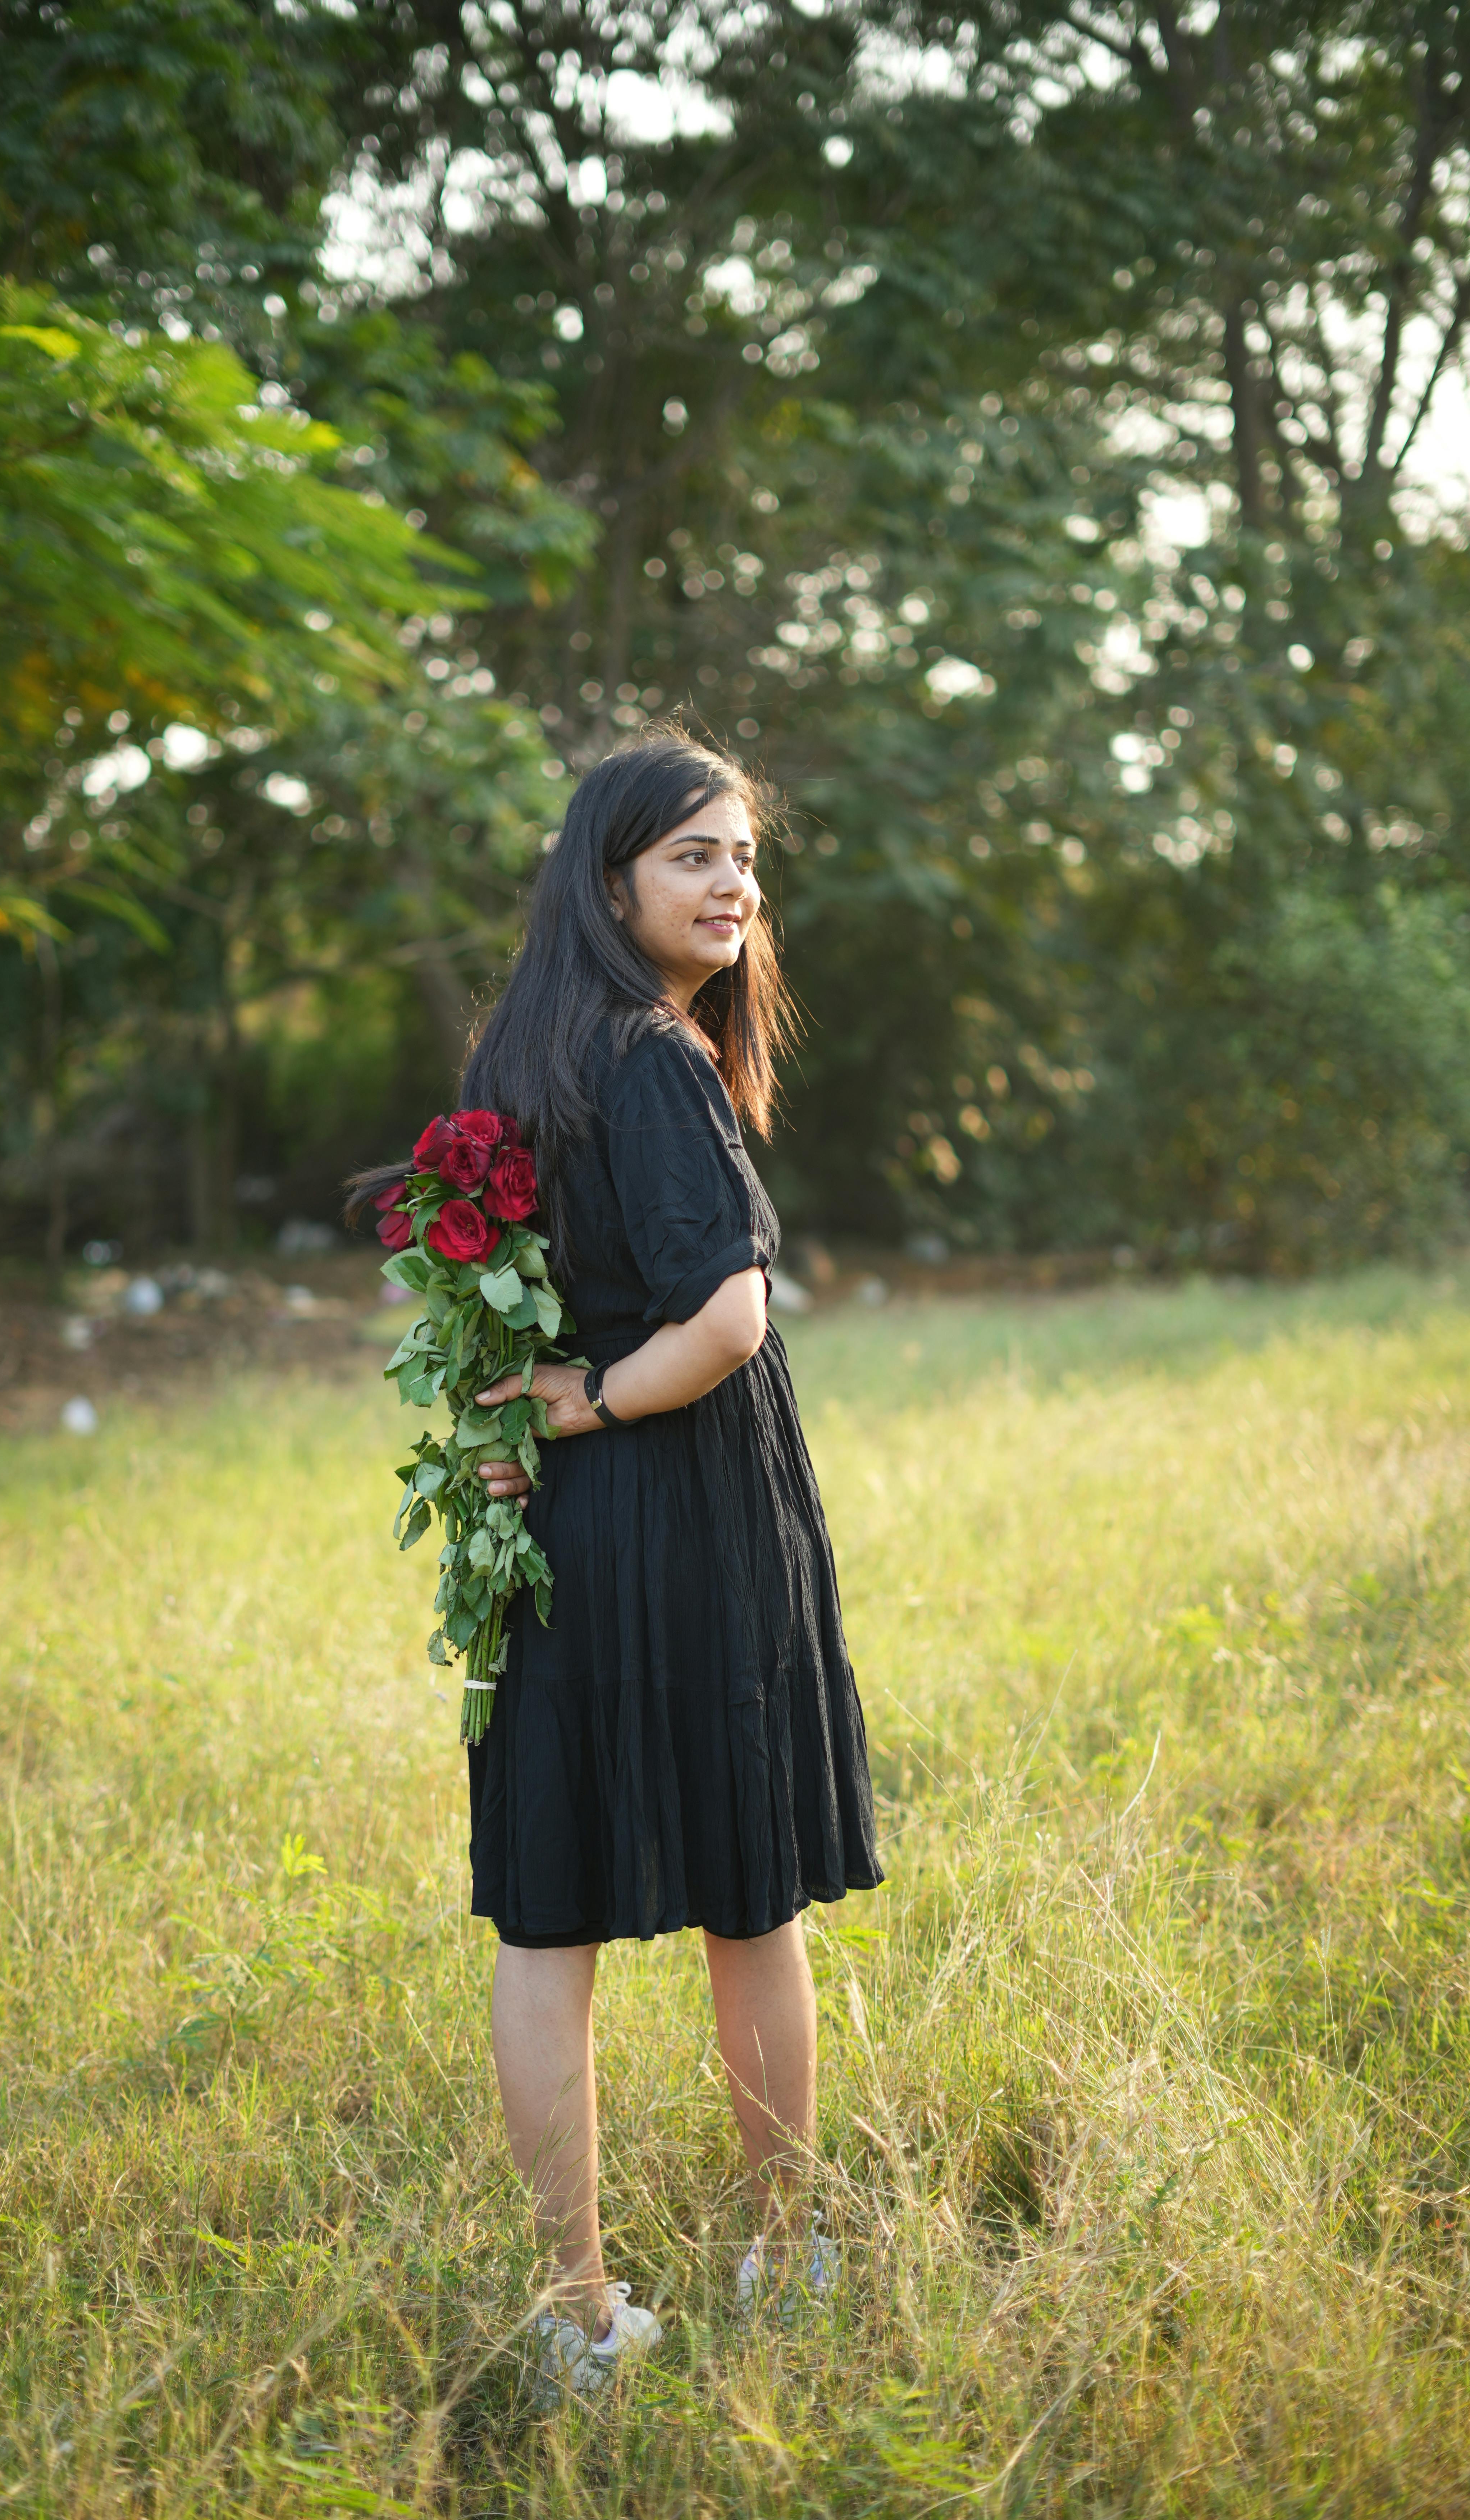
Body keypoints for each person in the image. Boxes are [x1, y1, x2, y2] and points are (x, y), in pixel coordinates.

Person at [415, 732, 882, 2400]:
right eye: (695, 854)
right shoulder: (654, 1058)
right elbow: (728, 1321)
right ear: (608, 876)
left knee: (550, 1919)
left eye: (744, 856)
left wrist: (546, 1413)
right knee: (745, 1898)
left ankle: (574, 2317)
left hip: (549, 1529)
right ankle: (784, 2250)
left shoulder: (513, 1055)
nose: (734, 884)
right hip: (678, 1502)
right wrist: (598, 1394)